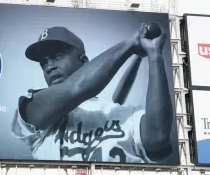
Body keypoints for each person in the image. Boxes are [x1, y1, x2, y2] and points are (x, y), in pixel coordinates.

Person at [11, 24, 173, 163]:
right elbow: (77, 88)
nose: (49, 66)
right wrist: (130, 43)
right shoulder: (33, 107)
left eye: (57, 56)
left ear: (84, 61)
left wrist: (154, 55)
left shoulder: (121, 114)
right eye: (44, 62)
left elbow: (158, 136)